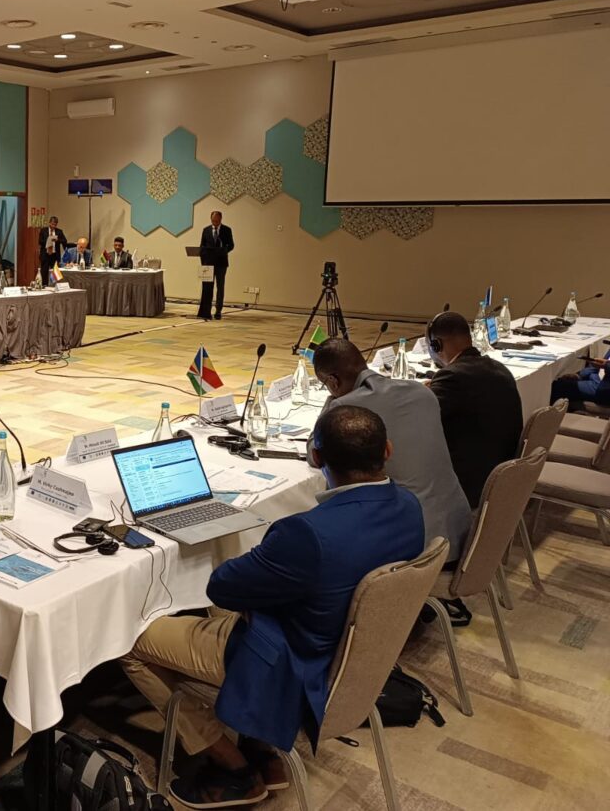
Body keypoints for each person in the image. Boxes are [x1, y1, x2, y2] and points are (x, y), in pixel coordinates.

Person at [121, 406, 424, 808]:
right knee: (245, 602)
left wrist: (264, 559)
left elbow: (221, 588)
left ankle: (233, 767)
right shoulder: (410, 506)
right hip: (348, 656)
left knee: (126, 641)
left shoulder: (307, 534)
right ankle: (261, 748)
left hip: (291, 662)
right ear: (387, 450)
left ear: (315, 456)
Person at [312, 337, 470, 562]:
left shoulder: (345, 409)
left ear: (333, 381)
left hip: (414, 549)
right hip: (460, 532)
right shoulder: (422, 391)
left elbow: (315, 452)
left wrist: (331, 402)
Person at [426, 311, 523, 508]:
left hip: (471, 485)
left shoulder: (451, 378)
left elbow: (421, 416)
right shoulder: (500, 368)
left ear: (437, 345)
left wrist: (420, 393)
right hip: (505, 474)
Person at [198, 211, 233, 320]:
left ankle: (218, 310)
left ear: (221, 219)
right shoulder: (206, 230)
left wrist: (224, 250)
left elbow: (231, 245)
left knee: (220, 287)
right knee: (208, 287)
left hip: (221, 264)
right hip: (208, 264)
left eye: (217, 221)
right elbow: (202, 246)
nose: (215, 223)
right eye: (213, 221)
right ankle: (206, 310)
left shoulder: (227, 230)